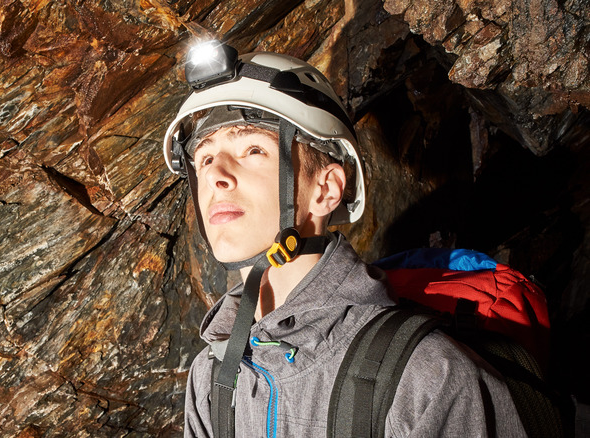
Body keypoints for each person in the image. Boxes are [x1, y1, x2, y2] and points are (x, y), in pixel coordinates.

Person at [162, 41, 526, 437]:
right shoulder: (212, 379)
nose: (216, 176)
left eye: (252, 149)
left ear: (326, 189)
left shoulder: (427, 379)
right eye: (205, 158)